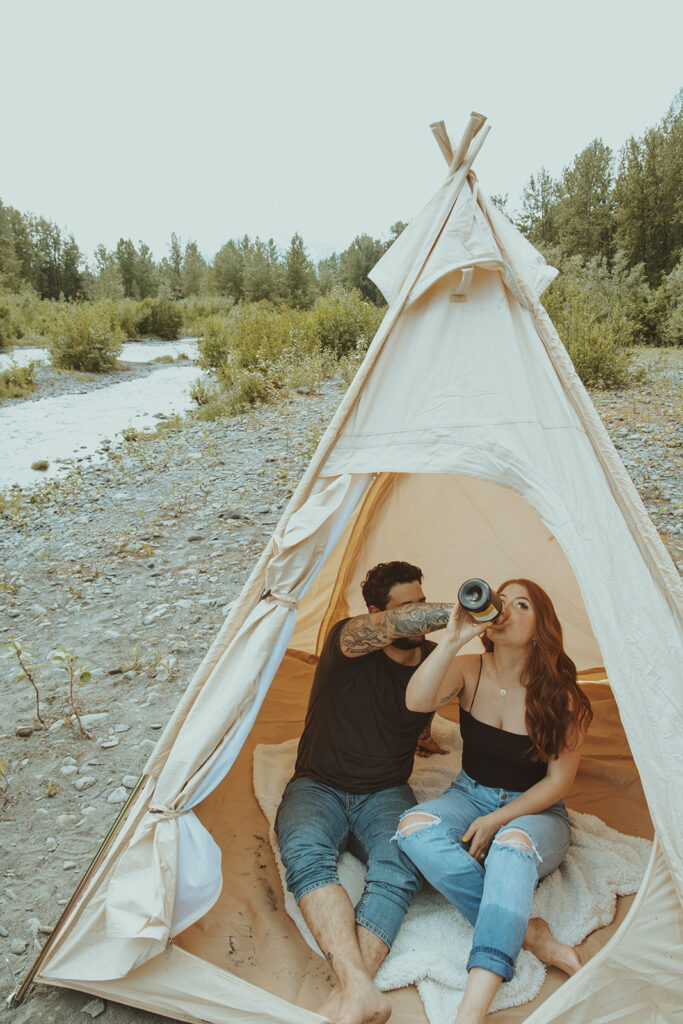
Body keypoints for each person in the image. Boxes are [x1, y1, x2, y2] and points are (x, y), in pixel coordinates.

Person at [395, 579, 593, 1024]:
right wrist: (451, 639)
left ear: (541, 627)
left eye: (520, 604)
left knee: (510, 846)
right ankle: (528, 933)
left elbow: (559, 782)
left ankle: (471, 1009)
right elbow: (416, 700)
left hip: (536, 809)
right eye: (501, 600)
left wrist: (498, 820)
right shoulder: (469, 668)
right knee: (414, 828)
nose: (503, 609)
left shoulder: (561, 694)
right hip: (469, 792)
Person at [275, 560, 455, 1024]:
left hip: (386, 791)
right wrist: (458, 613)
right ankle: (359, 988)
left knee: (400, 865)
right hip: (319, 782)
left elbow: (424, 698)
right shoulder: (347, 641)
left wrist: (425, 733)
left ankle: (353, 995)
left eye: (423, 597)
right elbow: (399, 626)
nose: (421, 612)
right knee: (306, 853)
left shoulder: (437, 659)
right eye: (408, 604)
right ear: (376, 612)